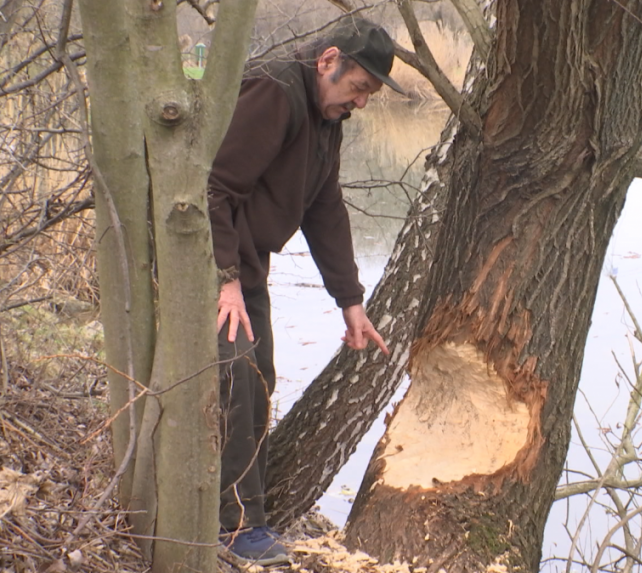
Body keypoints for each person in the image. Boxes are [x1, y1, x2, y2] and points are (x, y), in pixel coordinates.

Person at [207, 17, 399, 565]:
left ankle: (246, 517)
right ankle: (236, 527)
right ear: (328, 61)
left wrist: (351, 301)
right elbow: (214, 187)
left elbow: (324, 207)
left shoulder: (325, 116)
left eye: (369, 94)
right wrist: (225, 281)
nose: (361, 102)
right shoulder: (275, 90)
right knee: (237, 375)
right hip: (212, 251)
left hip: (246, 257)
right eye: (359, 87)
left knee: (260, 375)